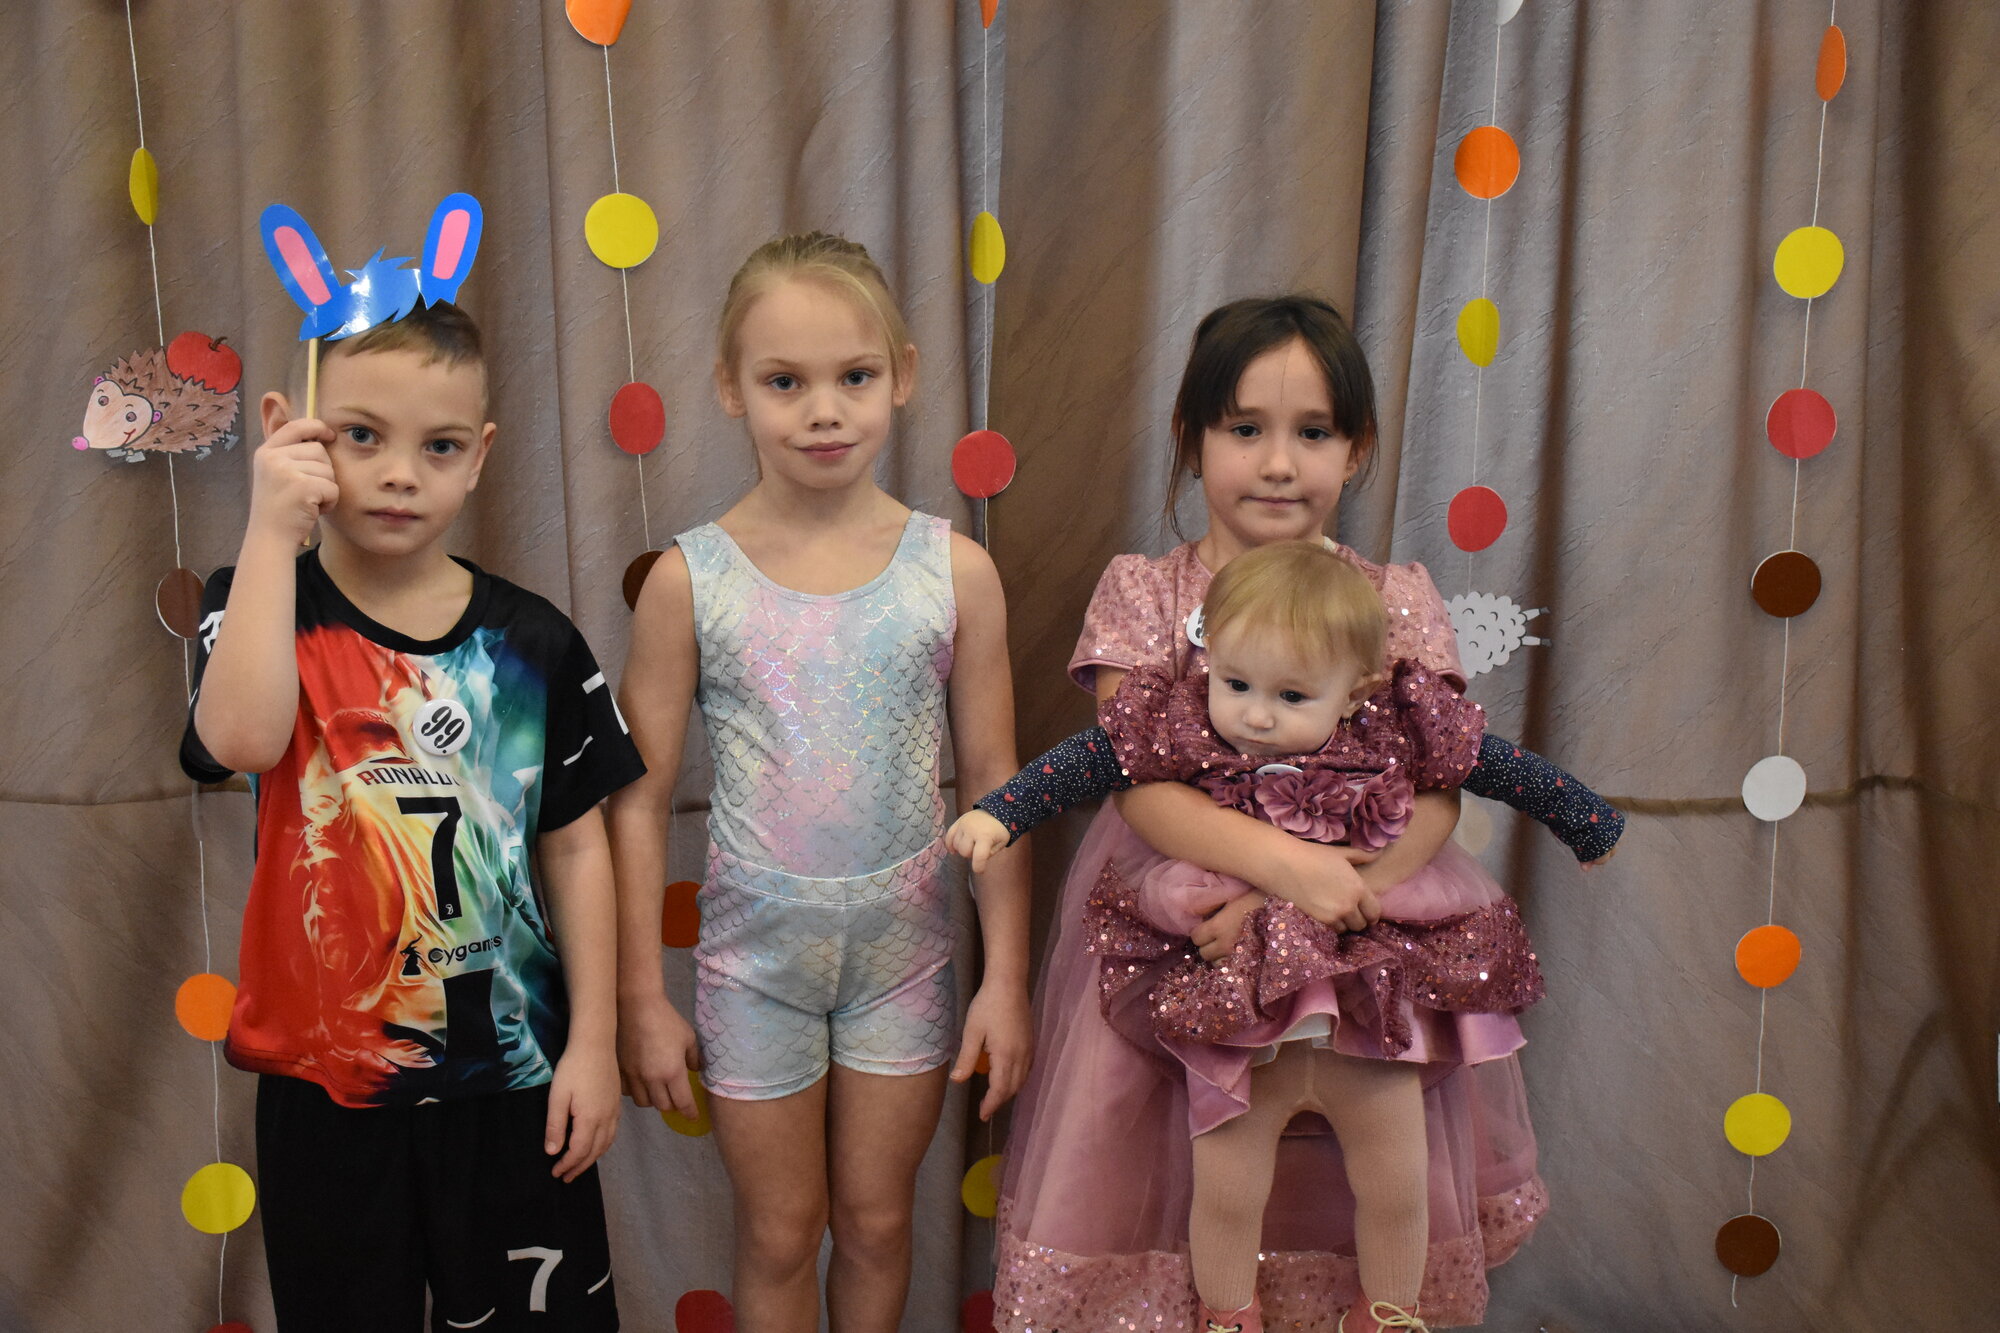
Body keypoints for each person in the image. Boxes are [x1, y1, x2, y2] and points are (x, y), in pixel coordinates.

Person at [990, 295, 1616, 1333]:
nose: (1278, 463)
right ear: (1193, 436)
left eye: (1313, 432)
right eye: (1245, 428)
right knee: (1177, 1159)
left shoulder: (1391, 597)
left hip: (1367, 925)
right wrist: (1288, 876)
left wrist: (1343, 894)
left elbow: (1435, 782)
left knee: (1370, 1163)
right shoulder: (1146, 592)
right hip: (1179, 919)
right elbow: (1140, 777)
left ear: (1356, 447)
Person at [181, 301, 639, 1331]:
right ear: (290, 428)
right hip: (325, 1086)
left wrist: (593, 1044)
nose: (399, 474)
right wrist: (270, 528)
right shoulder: (256, 603)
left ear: (479, 456)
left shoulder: (534, 641)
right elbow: (243, 739)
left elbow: (576, 847)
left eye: (438, 446)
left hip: (512, 1076)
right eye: (360, 435)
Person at [607, 232, 1034, 1333]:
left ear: (901, 374)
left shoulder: (954, 571)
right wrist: (638, 995)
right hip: (754, 963)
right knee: (779, 1234)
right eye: (784, 382)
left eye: (853, 376)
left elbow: (996, 784)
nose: (823, 410)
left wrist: (1005, 980)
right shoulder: (687, 581)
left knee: (880, 1223)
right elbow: (638, 797)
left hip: (905, 957)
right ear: (730, 388)